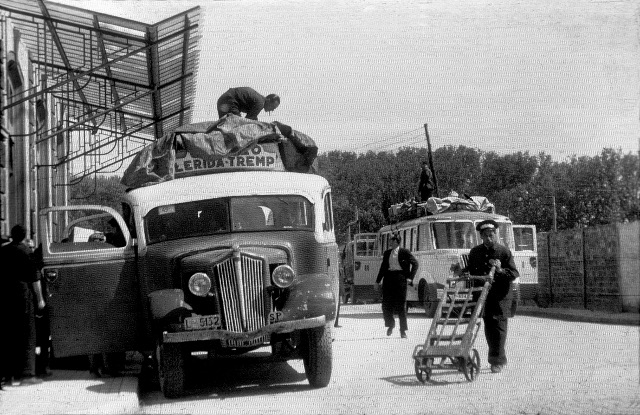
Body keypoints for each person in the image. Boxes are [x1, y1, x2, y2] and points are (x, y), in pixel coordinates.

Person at [463, 219, 519, 374]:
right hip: (483, 297)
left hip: (500, 297)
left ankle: (498, 361)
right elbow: (470, 270)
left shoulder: (503, 252)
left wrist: (501, 271)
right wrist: (462, 271)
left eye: (491, 234)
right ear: (481, 236)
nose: (489, 237)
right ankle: (494, 357)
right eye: (485, 235)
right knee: (489, 328)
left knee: (499, 330)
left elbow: (514, 273)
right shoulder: (475, 252)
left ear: (496, 234)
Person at [0, 225, 46, 387]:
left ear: (12, 236)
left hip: (5, 297)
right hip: (22, 296)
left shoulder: (3, 251)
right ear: (24, 235)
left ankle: (8, 375)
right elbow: (35, 277)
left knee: (8, 335)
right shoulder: (26, 252)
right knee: (27, 334)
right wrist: (40, 299)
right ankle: (27, 374)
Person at [374, 234, 418, 338]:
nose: (389, 242)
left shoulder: (404, 252)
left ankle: (403, 331)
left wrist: (410, 277)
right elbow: (383, 268)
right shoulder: (387, 253)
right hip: (388, 279)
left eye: (391, 240)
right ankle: (390, 324)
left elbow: (415, 264)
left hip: (400, 279)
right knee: (386, 305)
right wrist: (377, 281)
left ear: (396, 241)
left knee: (401, 306)